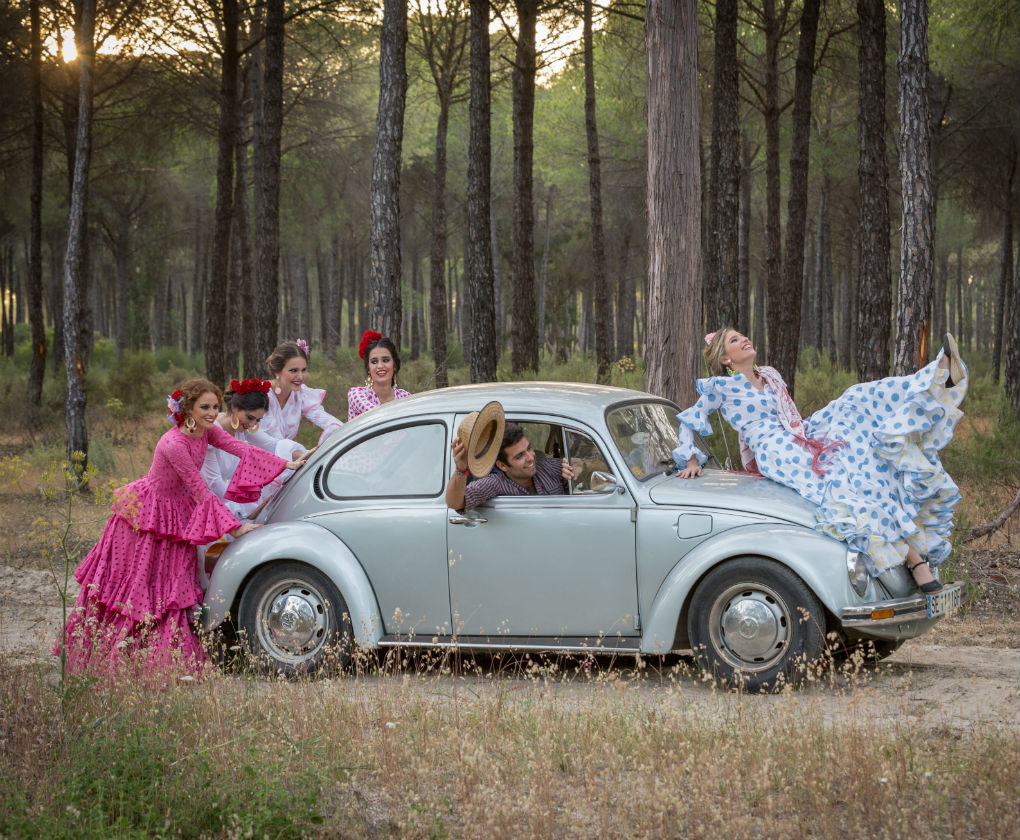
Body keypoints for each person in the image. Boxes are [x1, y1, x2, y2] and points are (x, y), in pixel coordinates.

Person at [673, 328, 967, 594]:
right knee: (842, 487)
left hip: (798, 432)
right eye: (734, 341)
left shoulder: (770, 376)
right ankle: (914, 560)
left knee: (854, 399)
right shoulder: (723, 388)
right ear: (726, 359)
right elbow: (690, 420)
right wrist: (691, 460)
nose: (744, 340)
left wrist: (808, 435)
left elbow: (791, 419)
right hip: (775, 449)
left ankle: (937, 377)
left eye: (742, 335)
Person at [55, 379, 308, 679]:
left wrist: (284, 465)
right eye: (205, 407)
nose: (213, 413)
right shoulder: (174, 444)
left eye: (215, 406)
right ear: (186, 408)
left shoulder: (207, 430)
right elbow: (201, 490)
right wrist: (235, 529)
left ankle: (164, 659)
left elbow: (240, 447)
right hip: (147, 518)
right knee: (137, 588)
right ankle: (109, 654)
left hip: (178, 513)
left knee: (173, 589)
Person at [201, 378, 310, 521]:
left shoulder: (243, 427)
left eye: (258, 420)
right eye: (250, 417)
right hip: (205, 500)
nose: (252, 424)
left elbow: (274, 445)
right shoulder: (211, 432)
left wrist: (307, 456)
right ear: (234, 407)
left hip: (229, 498)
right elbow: (214, 482)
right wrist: (243, 509)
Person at [446, 422, 578, 512]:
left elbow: (589, 464)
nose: (531, 457)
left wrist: (580, 469)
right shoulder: (496, 483)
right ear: (502, 465)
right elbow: (455, 503)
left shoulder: (547, 467)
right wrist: (461, 469)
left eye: (529, 448)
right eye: (519, 456)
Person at [261, 339, 343, 446]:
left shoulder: (301, 394)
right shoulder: (261, 394)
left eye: (303, 370)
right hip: (250, 459)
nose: (300, 376)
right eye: (294, 370)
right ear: (277, 371)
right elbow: (275, 441)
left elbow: (329, 421)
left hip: (285, 458)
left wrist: (337, 430)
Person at [347, 330, 412, 420]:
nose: (380, 366)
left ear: (394, 365)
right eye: (374, 362)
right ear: (368, 368)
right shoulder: (356, 394)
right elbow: (376, 415)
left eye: (385, 360)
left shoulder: (405, 397)